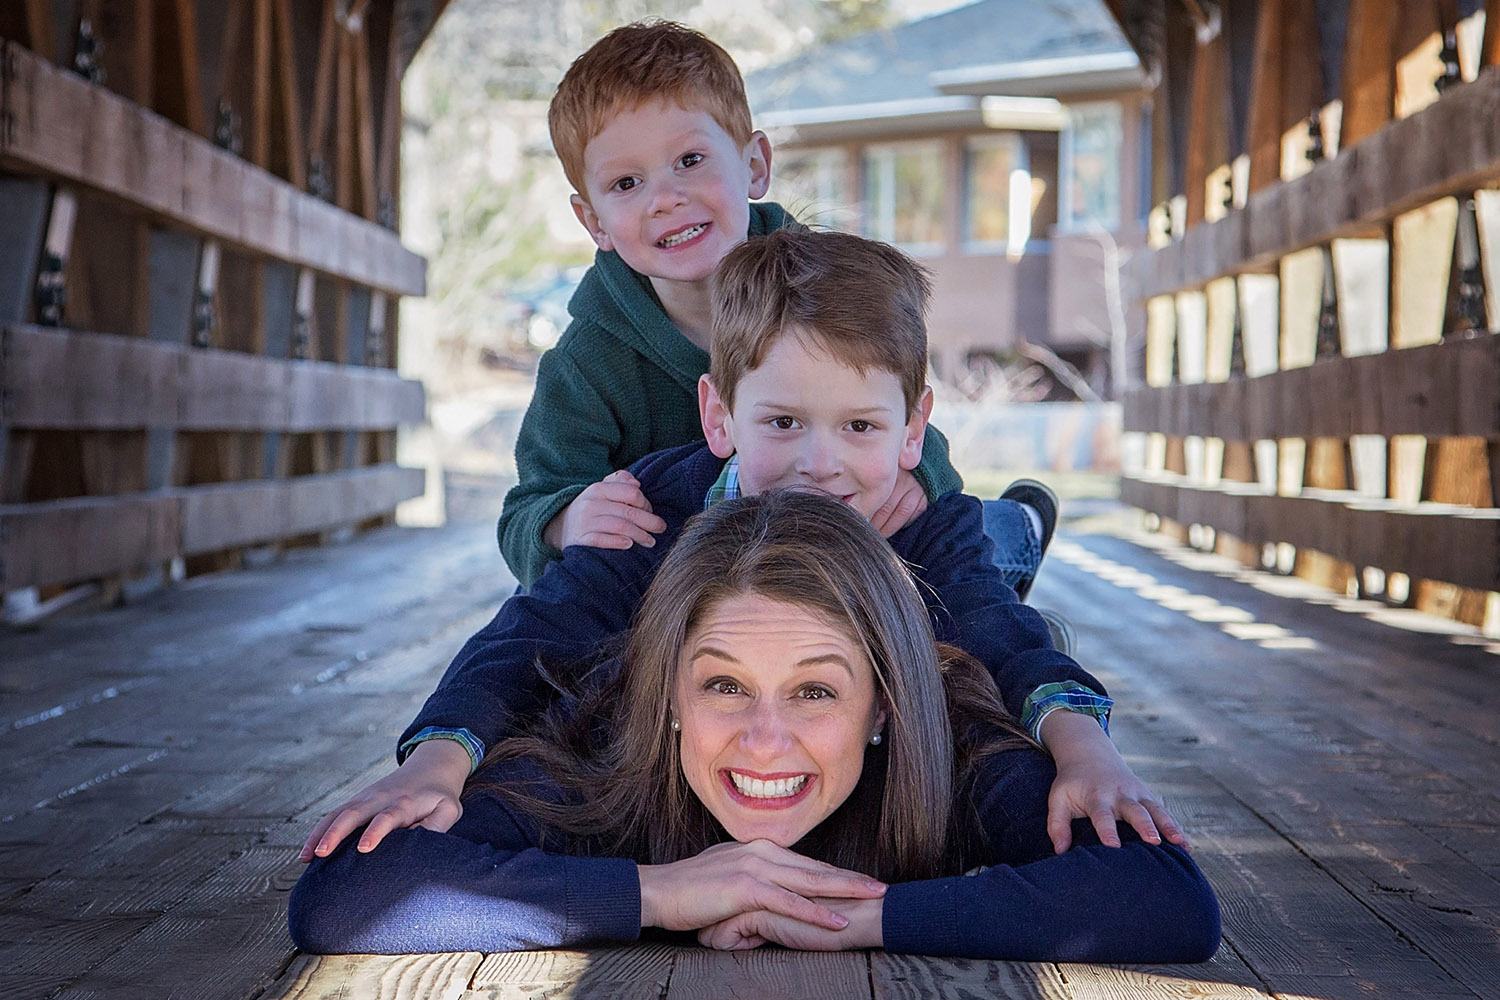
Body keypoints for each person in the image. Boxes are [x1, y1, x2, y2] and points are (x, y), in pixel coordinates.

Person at [301, 230, 1186, 867]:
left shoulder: (921, 516)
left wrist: (1085, 751)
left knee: (982, 589)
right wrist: (439, 762)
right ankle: (1009, 533)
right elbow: (531, 632)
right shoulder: (654, 507)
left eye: (860, 426)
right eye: (783, 421)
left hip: (945, 565)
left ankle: (1007, 533)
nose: (820, 464)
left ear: (915, 429)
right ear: (719, 415)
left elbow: (1005, 639)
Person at [289, 490, 1219, 960]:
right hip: (669, 542)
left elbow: (1165, 897)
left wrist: (864, 919)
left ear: (886, 705)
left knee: (976, 590)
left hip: (938, 590)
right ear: (667, 696)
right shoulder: (604, 745)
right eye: (724, 687)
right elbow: (343, 895)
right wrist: (663, 894)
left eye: (816, 693)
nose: (765, 741)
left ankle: (1002, 532)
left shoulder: (955, 745)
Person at [496, 19, 1044, 596]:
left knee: (938, 540)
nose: (665, 198)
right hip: (692, 579)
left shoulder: (826, 290)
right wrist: (564, 522)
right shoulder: (588, 363)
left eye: (689, 160)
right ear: (593, 221)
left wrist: (924, 474)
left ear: (754, 165)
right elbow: (526, 511)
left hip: (838, 533)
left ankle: (1017, 541)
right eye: (627, 183)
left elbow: (894, 404)